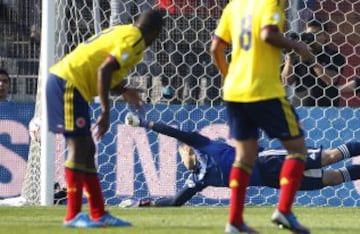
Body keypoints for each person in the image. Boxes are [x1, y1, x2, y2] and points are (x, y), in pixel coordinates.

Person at [46, 9, 164, 228]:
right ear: (155, 32)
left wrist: (123, 89)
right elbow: (104, 69)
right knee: (79, 147)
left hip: (72, 84)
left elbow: (103, 68)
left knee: (88, 150)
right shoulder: (135, 39)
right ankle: (72, 216)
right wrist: (105, 112)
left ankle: (98, 213)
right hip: (68, 83)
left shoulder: (125, 31)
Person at [210, 1, 313, 233]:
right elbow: (268, 34)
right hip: (264, 91)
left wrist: (229, 76)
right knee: (297, 149)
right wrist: (297, 46)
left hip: (234, 92)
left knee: (244, 157)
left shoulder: (234, 6)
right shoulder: (270, 3)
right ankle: (284, 211)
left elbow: (215, 48)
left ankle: (234, 222)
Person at [120, 113, 360, 208]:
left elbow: (172, 132)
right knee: (332, 179)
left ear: (188, 151)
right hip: (271, 180)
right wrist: (145, 203)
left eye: (181, 152)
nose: (181, 157)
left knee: (328, 157)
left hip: (267, 161)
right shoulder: (199, 179)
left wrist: (143, 123)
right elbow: (175, 201)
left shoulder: (202, 145)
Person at [282, 19, 346, 107]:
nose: (313, 38)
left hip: (326, 110)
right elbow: (286, 81)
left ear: (325, 36)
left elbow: (330, 80)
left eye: (317, 34)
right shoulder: (297, 56)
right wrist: (290, 57)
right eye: (309, 35)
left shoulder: (334, 56)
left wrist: (311, 58)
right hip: (300, 109)